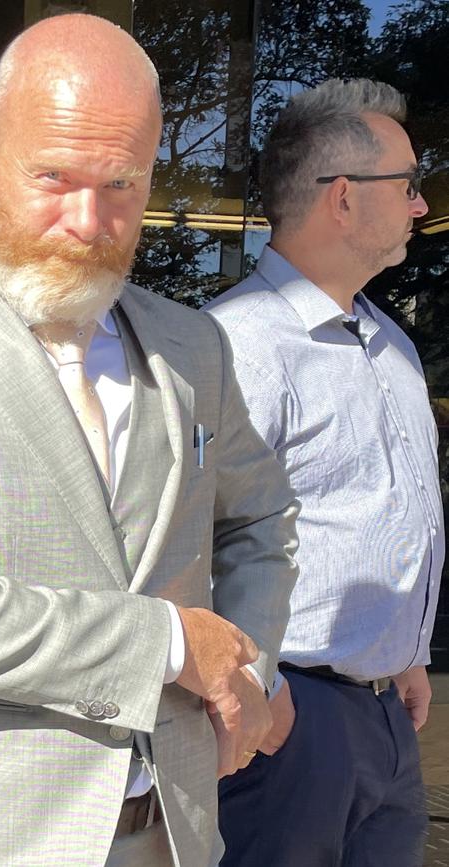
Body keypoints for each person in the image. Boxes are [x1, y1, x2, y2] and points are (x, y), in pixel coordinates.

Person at [0, 14, 298, 867]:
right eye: (54, 176)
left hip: (176, 832)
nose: (89, 218)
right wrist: (179, 644)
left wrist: (251, 669)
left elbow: (262, 518)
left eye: (122, 182)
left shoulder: (191, 346)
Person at [207, 78, 444, 867]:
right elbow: (188, 541)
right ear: (343, 198)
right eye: (408, 184)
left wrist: (402, 651)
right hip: (292, 724)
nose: (420, 205)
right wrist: (262, 697)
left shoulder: (391, 345)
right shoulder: (239, 346)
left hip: (384, 719)